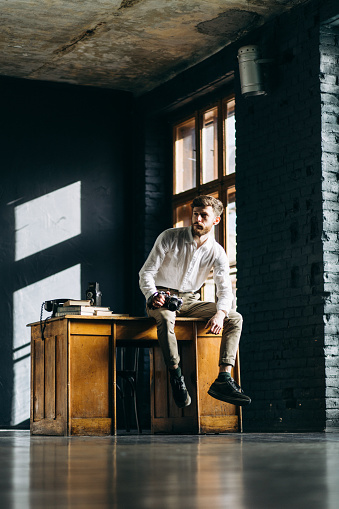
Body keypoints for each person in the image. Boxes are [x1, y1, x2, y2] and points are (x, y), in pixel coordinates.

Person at [139, 195, 251, 408]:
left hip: (190, 301)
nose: (198, 219)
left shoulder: (217, 252)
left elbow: (225, 289)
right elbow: (146, 273)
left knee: (234, 318)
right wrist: (153, 295)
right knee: (164, 317)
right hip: (161, 298)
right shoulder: (169, 237)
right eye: (195, 214)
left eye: (204, 216)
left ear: (216, 220)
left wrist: (220, 313)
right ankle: (176, 375)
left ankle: (224, 379)